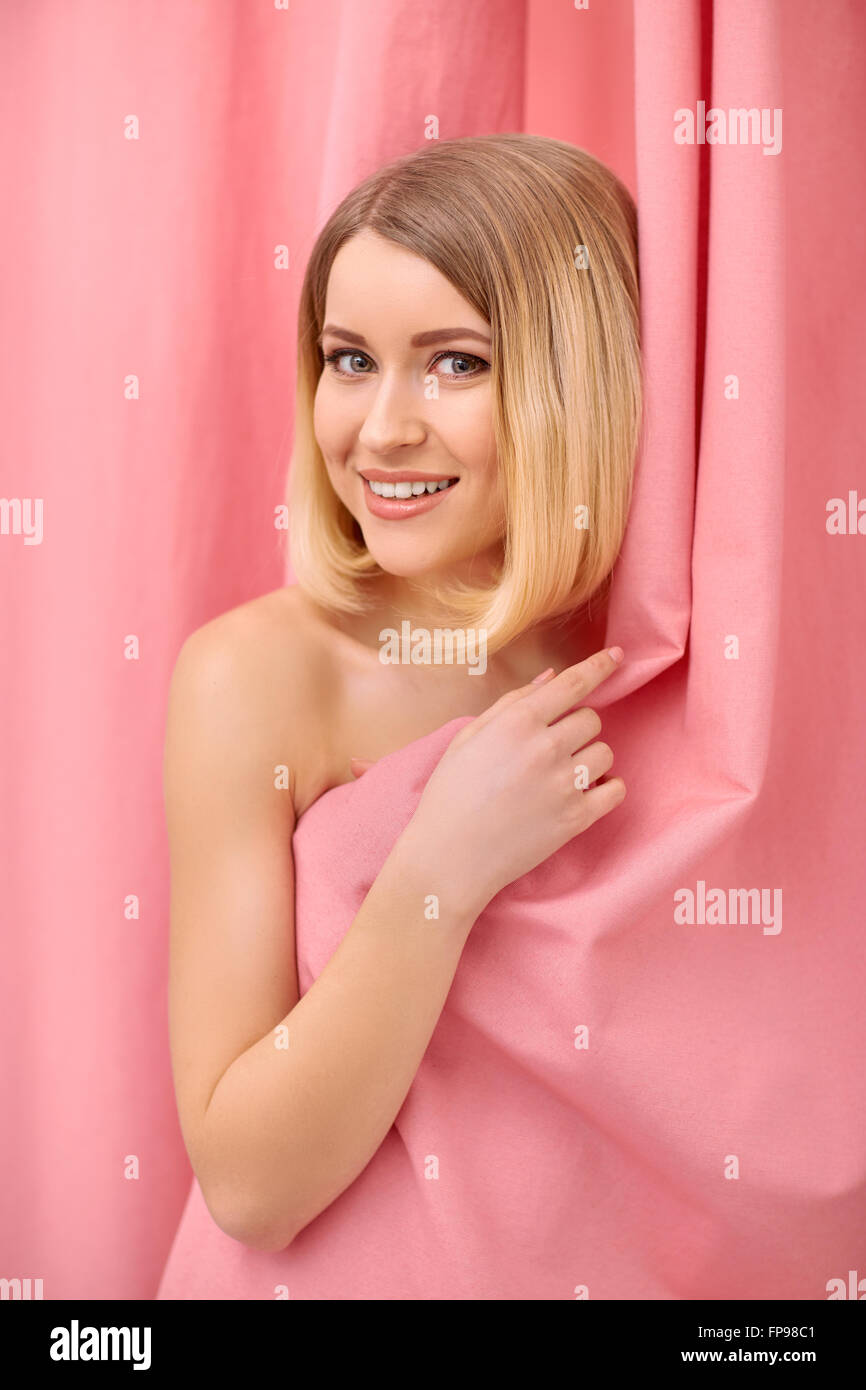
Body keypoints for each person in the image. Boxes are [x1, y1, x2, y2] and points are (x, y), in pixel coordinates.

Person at [158, 133, 641, 1297]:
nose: (379, 430)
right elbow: (248, 1185)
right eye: (348, 359)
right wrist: (438, 869)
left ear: (575, 377)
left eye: (454, 363)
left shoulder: (653, 658)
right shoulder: (259, 675)